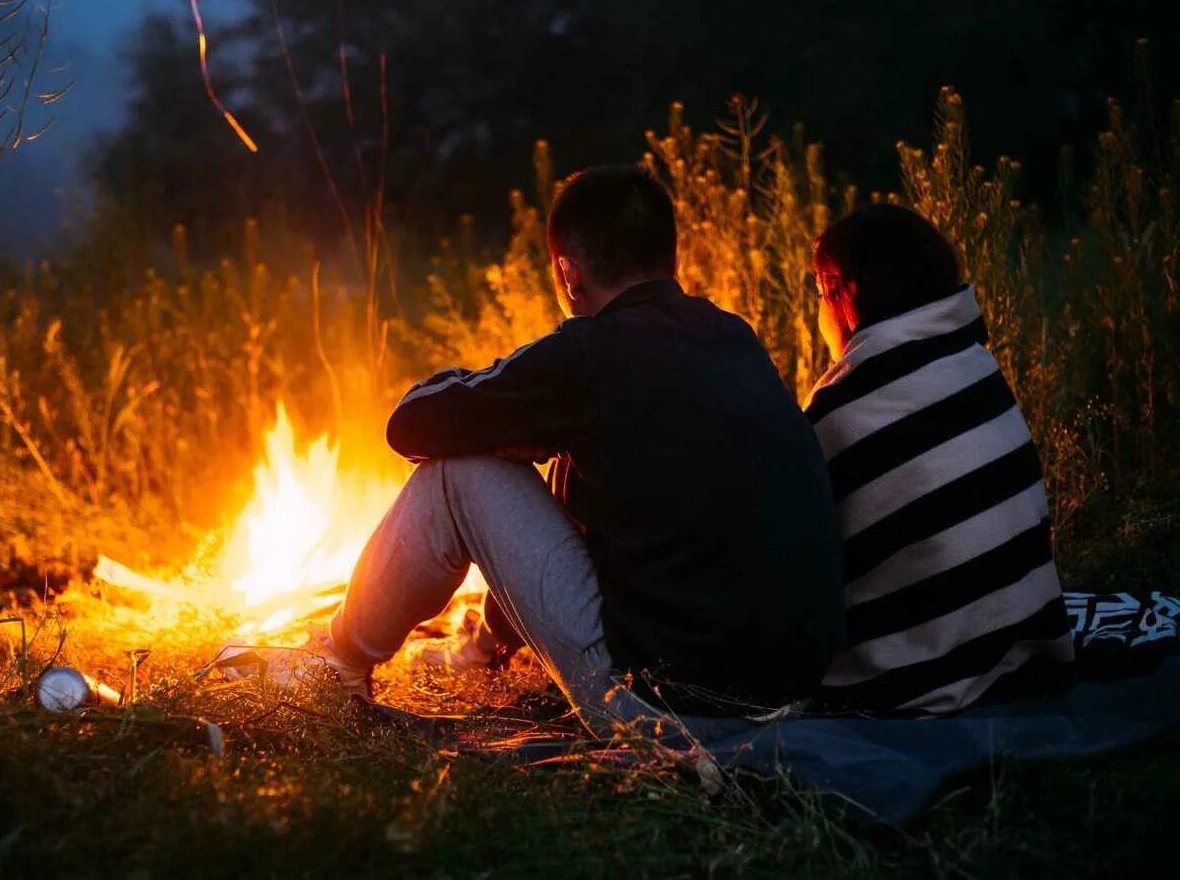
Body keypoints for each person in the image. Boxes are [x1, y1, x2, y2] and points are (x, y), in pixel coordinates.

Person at [267, 165, 845, 731]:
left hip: (671, 708)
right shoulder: (733, 338)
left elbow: (412, 423)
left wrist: (505, 430)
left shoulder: (590, 354)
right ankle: (484, 646)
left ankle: (335, 661)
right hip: (786, 700)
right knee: (579, 473)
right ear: (672, 259)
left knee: (457, 474)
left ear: (568, 275)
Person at [805, 204, 1074, 716]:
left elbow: (804, 564)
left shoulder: (841, 407)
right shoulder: (975, 364)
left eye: (819, 295)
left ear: (842, 292)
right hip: (1028, 651)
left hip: (918, 685)